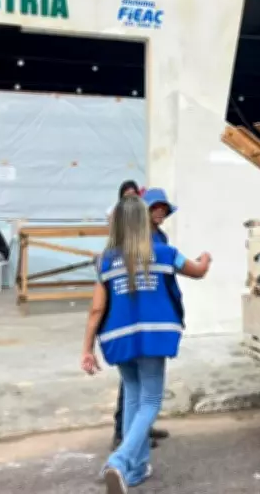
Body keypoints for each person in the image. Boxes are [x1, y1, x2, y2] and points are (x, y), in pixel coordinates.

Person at [81, 196, 211, 493]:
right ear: (143, 220)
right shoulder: (165, 253)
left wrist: (86, 348)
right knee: (150, 401)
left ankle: (136, 469)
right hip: (154, 335)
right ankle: (120, 460)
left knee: (133, 397)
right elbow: (198, 271)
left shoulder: (104, 260)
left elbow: (97, 309)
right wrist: (206, 259)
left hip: (119, 337)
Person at [107, 181, 170, 450]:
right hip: (134, 325)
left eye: (161, 208)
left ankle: (136, 440)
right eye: (152, 208)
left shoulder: (160, 239)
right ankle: (125, 446)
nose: (158, 213)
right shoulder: (123, 248)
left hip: (141, 325)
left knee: (138, 390)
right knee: (138, 391)